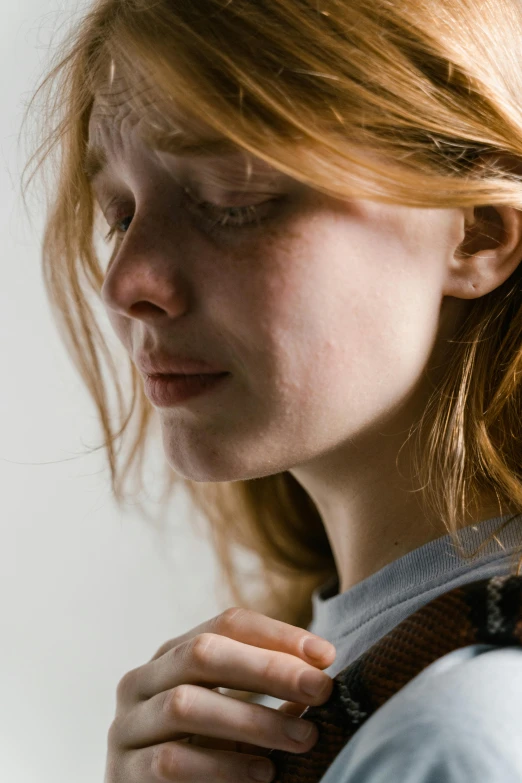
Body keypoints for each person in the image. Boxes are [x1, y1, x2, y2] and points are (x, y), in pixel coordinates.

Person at [20, 0, 522, 781]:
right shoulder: (362, 679)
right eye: (118, 214)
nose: (126, 283)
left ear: (477, 231)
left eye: (233, 200)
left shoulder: (456, 737)